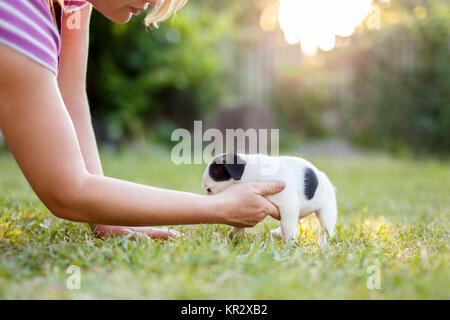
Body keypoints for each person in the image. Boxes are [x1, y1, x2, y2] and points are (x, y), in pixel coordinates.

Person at [0, 0, 285, 239]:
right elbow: (67, 190)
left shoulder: (73, 4)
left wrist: (105, 217)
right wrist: (219, 207)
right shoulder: (19, 10)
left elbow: (69, 94)